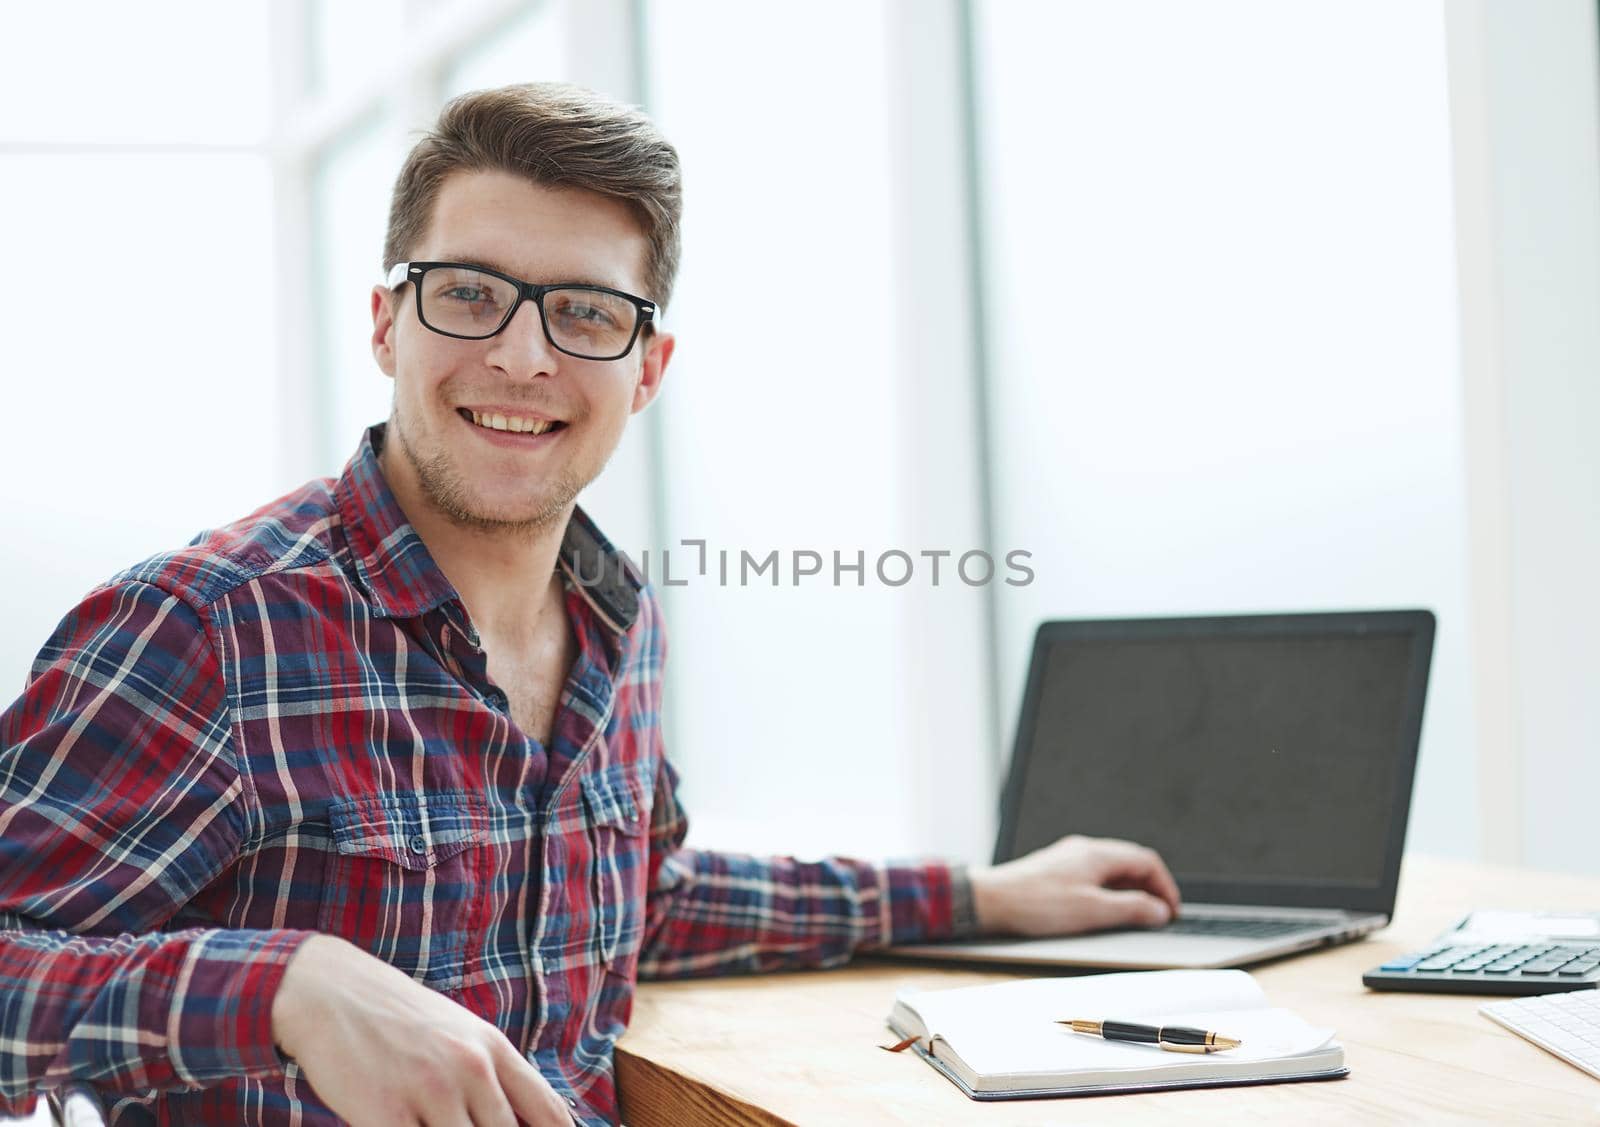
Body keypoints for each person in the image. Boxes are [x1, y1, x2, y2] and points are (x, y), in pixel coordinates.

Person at [0, 82, 1181, 1127]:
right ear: (385, 323)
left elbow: (628, 906)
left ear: (646, 367)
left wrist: (980, 895)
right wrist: (286, 986)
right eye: (468, 292)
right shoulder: (208, 624)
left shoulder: (619, 621)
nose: (522, 356)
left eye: (584, 311)